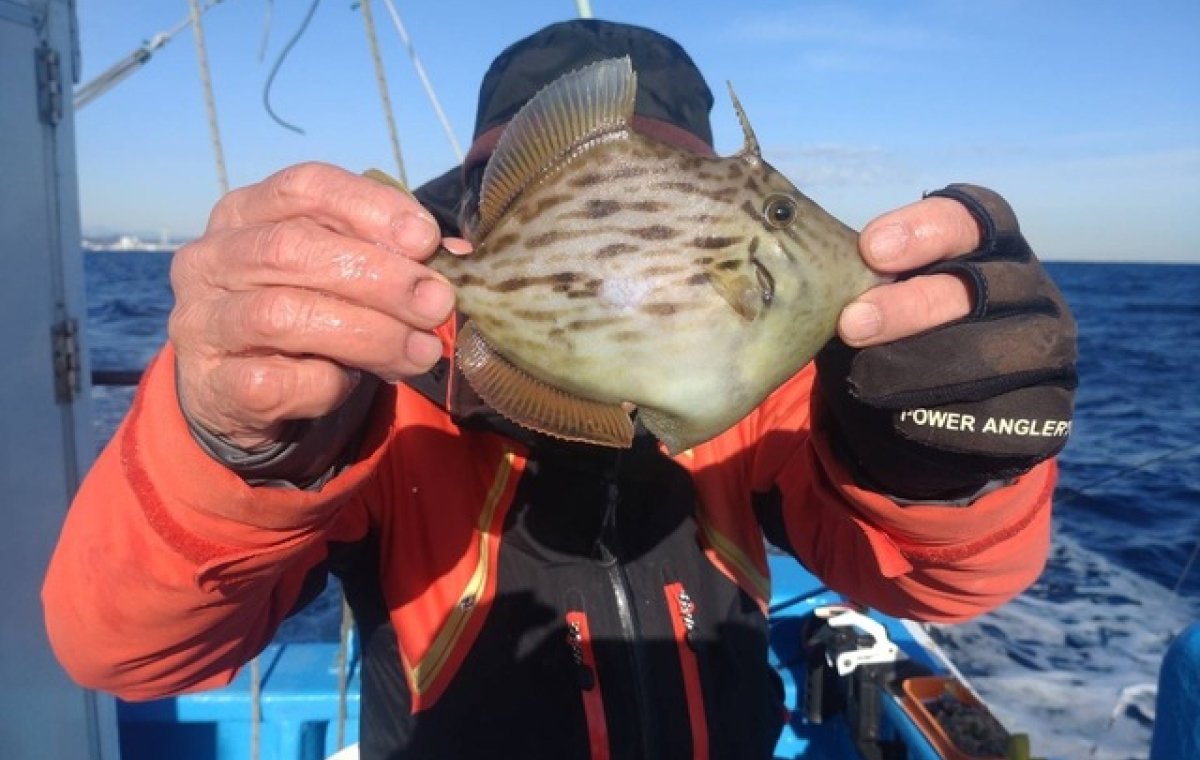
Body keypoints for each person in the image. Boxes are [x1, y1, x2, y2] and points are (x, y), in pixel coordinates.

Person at [42, 19, 1077, 760]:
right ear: (470, 200)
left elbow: (951, 584)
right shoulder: (378, 389)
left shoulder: (778, 394)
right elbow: (118, 650)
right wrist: (231, 446)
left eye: (670, 183)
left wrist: (935, 461)